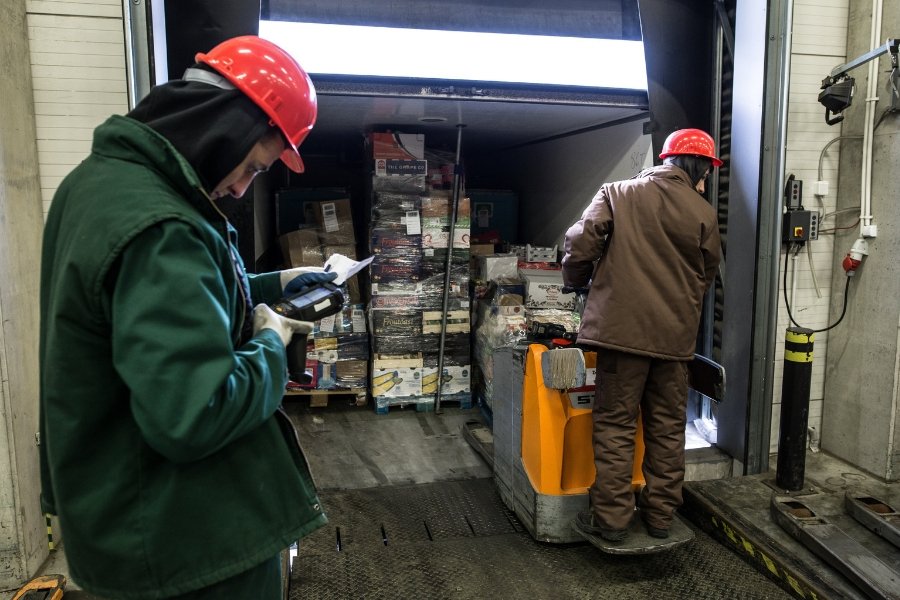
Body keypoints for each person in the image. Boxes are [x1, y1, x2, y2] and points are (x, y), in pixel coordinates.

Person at [38, 36, 337, 599]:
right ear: (224, 125)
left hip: (125, 514)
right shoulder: (164, 225)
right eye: (252, 165)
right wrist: (271, 344)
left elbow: (168, 302)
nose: (242, 188)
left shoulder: (103, 184)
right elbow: (194, 412)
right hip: (186, 542)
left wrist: (275, 284)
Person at [562, 128, 722, 543]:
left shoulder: (617, 192)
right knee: (668, 429)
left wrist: (575, 281)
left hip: (621, 337)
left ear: (665, 159)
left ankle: (612, 522)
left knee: (615, 426)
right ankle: (661, 518)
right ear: (700, 169)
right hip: (674, 344)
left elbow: (581, 243)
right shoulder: (703, 212)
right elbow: (705, 276)